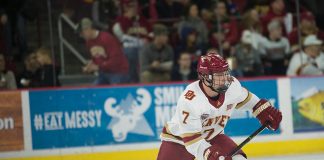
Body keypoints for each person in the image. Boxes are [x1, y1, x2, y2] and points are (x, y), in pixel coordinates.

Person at [157, 50, 282, 160]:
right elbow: (192, 140)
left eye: (225, 73)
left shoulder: (232, 87)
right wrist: (208, 153)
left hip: (214, 136)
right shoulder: (190, 101)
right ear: (204, 77)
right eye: (218, 75)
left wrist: (262, 110)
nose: (224, 79)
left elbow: (250, 101)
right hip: (180, 140)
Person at [79, 18, 129, 85]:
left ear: (88, 29)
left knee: (113, 90)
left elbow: (115, 60)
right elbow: (96, 58)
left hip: (118, 71)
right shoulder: (88, 42)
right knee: (93, 91)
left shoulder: (107, 38)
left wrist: (97, 67)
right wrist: (90, 65)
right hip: (104, 73)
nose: (81, 35)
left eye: (82, 33)